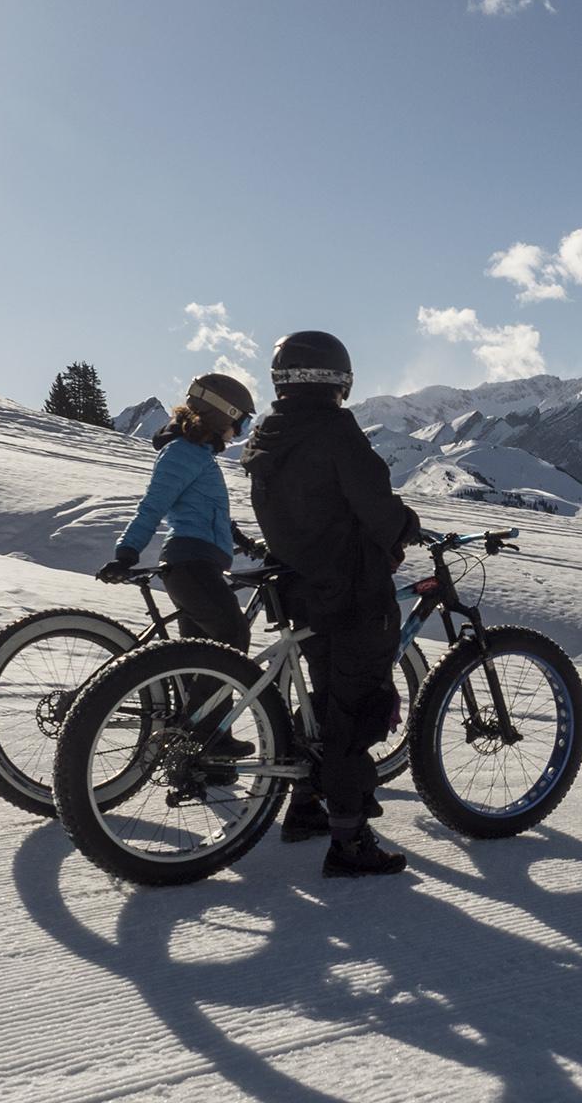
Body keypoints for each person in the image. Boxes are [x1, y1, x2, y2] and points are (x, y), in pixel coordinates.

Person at [241, 331, 421, 878]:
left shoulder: (269, 435)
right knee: (355, 712)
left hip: (302, 587)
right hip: (349, 591)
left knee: (323, 701)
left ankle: (305, 805)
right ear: (339, 379)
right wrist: (405, 526)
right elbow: (373, 502)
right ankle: (349, 842)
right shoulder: (335, 430)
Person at [97, 373, 264, 775]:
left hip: (198, 565)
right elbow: (152, 506)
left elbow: (209, 514)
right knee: (232, 639)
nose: (239, 431)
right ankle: (206, 735)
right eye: (239, 421)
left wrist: (245, 543)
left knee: (201, 660)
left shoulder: (197, 455)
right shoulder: (182, 454)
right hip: (191, 567)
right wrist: (126, 552)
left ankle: (198, 755)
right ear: (219, 413)